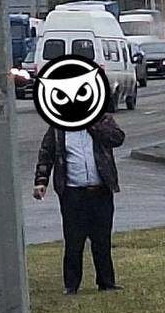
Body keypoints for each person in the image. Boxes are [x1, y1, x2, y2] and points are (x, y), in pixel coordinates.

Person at [32, 111, 125, 294]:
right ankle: (72, 285)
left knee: (102, 238)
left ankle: (106, 282)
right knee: (74, 240)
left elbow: (117, 138)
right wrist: (41, 181)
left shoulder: (101, 119)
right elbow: (46, 153)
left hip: (100, 190)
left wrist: (94, 126)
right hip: (73, 192)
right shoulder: (58, 128)